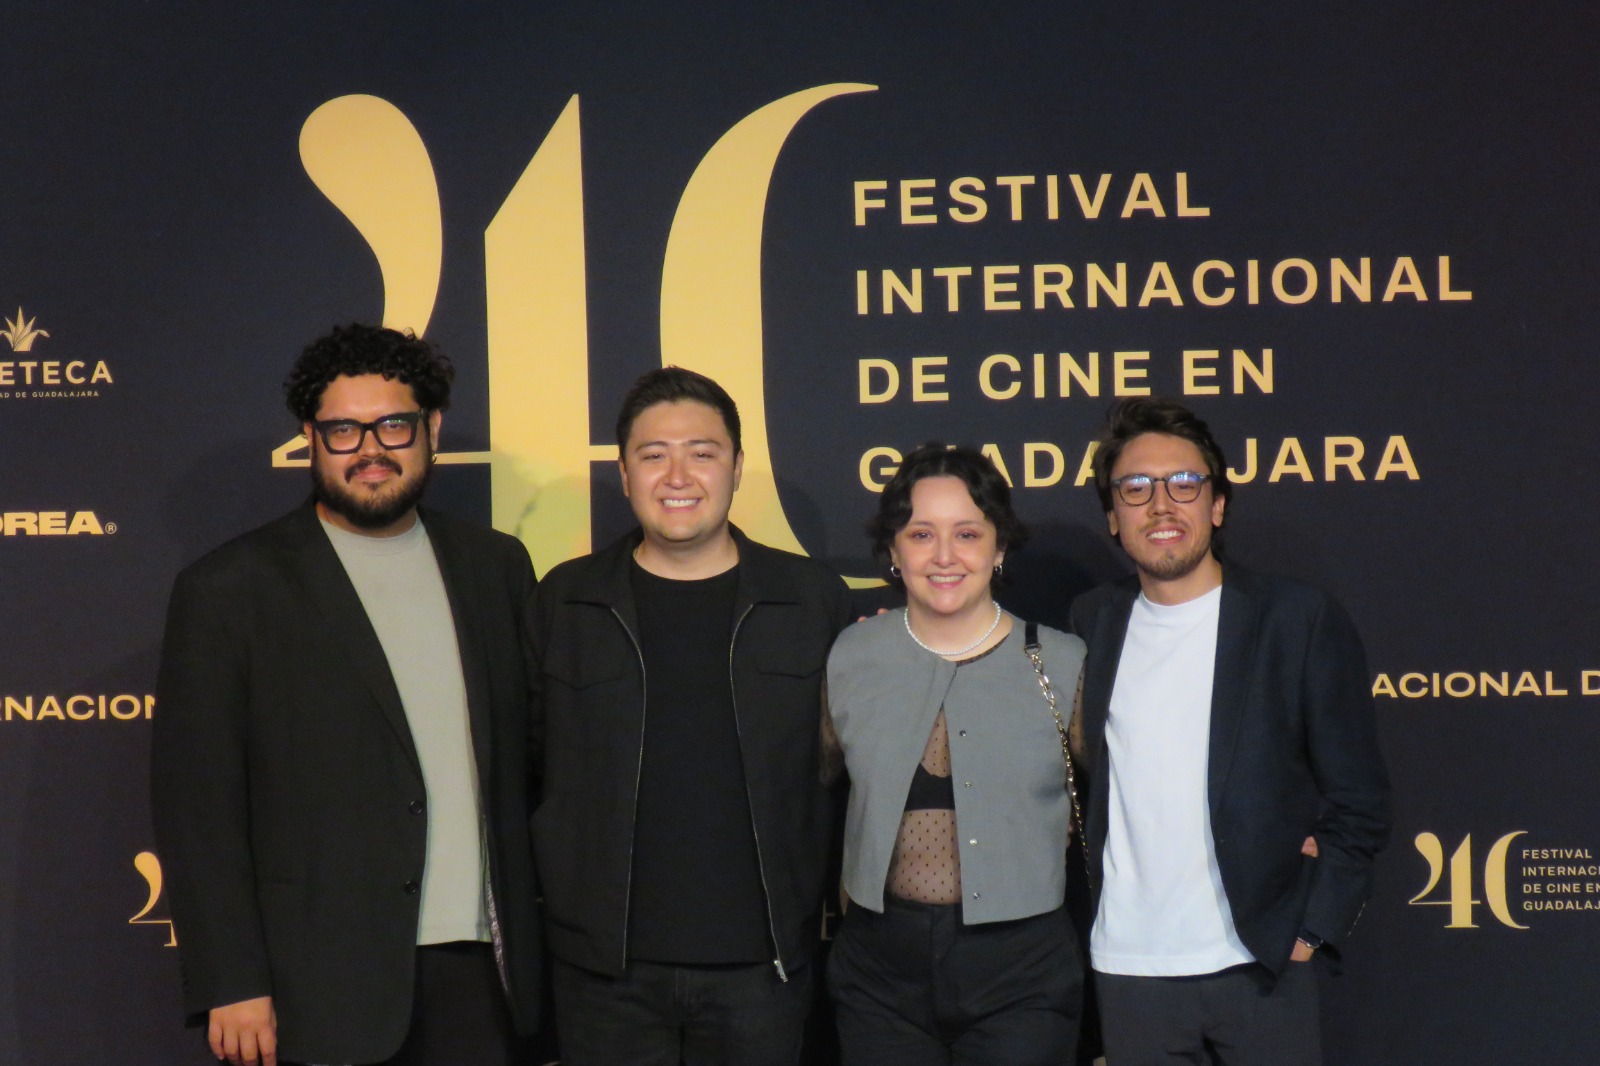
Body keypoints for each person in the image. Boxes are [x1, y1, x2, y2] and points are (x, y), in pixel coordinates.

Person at [150, 324, 541, 1066]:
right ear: (310, 438)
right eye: (342, 430)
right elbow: (197, 806)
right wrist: (231, 980)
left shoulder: (496, 567)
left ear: (432, 429)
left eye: (393, 424)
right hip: (315, 983)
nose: (370, 448)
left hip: (480, 972)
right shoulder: (230, 588)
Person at [528, 366, 852, 1065]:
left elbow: (851, 776)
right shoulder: (566, 601)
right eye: (653, 455)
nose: (678, 475)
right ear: (623, 473)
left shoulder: (810, 600)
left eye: (702, 453)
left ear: (737, 467)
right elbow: (528, 768)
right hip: (602, 975)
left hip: (765, 969)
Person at [1069, 397, 1392, 1065]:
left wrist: (1312, 927)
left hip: (1261, 963)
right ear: (1112, 515)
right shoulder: (1089, 622)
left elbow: (1360, 801)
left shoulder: (1295, 620)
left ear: (1216, 505)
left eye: (1184, 483)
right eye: (1136, 488)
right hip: (1129, 971)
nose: (1161, 504)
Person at [823, 443, 1087, 1066]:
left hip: (1022, 972)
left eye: (967, 533)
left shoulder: (1064, 661)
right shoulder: (849, 656)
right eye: (921, 534)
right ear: (893, 550)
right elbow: (804, 792)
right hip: (877, 974)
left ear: (998, 550)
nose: (944, 556)